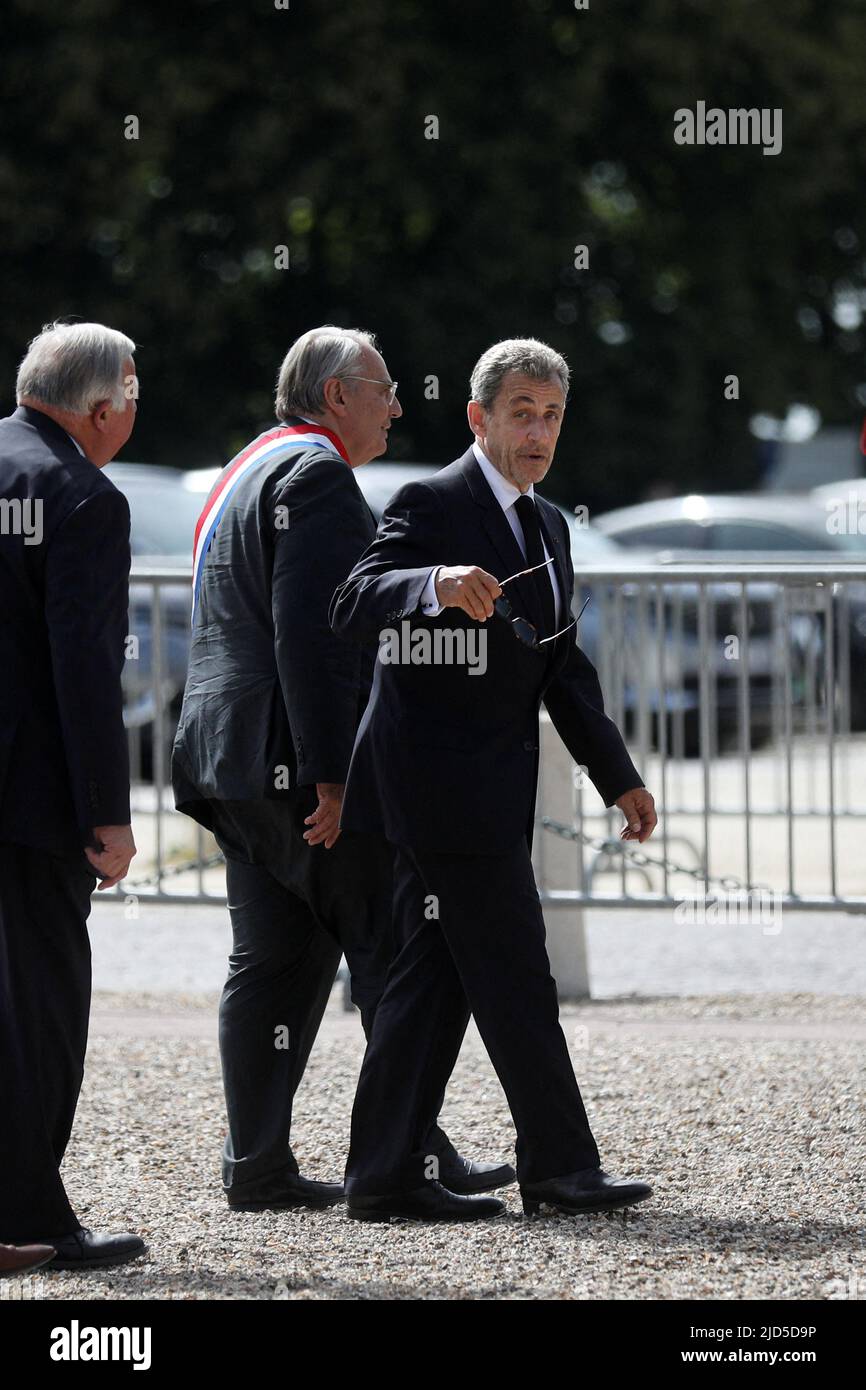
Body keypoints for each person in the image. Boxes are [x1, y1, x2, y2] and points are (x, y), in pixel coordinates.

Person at [172, 326, 512, 1212]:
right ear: (336, 397)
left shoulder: (248, 466)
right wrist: (331, 775)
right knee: (395, 954)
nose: (398, 406)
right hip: (294, 764)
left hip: (226, 757)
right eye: (386, 389)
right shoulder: (318, 476)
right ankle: (407, 1168)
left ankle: (258, 1165)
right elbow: (316, 631)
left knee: (276, 959)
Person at [330, 337, 659, 1222]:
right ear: (478, 418)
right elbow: (353, 601)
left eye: (551, 415)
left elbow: (561, 666)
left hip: (491, 790)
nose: (539, 431)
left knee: (429, 986)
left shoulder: (547, 525)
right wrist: (432, 582)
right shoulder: (429, 500)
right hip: (435, 790)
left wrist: (617, 774)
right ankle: (559, 1169)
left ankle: (384, 1176)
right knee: (516, 975)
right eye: (522, 413)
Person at [0, 321, 144, 1267]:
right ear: (100, 408)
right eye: (132, 397)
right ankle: (27, 1219)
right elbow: (83, 672)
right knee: (40, 1006)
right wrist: (109, 815)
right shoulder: (82, 495)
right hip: (29, 802)